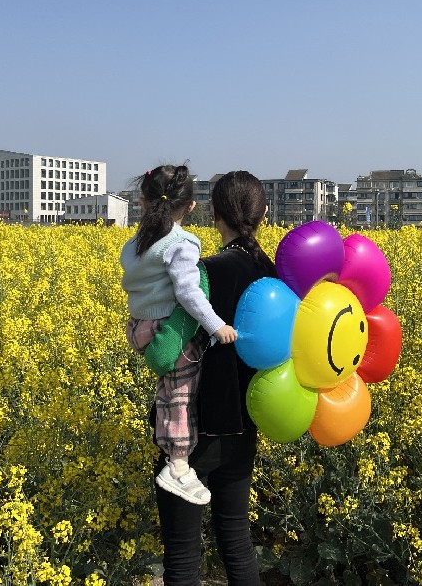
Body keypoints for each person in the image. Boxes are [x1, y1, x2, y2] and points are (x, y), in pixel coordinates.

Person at [153, 170, 277, 585]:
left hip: (193, 431)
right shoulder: (275, 274)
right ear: (263, 214)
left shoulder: (204, 273)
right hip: (246, 426)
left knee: (183, 557)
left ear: (214, 212)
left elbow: (168, 351)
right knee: (236, 541)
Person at [121, 164, 238, 506]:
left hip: (140, 325)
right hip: (166, 328)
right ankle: (178, 465)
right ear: (190, 207)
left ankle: (174, 455)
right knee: (180, 398)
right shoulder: (180, 243)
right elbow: (189, 292)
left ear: (143, 203)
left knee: (167, 391)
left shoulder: (136, 244)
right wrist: (217, 326)